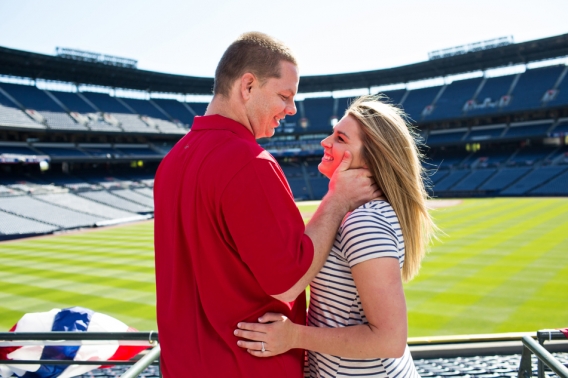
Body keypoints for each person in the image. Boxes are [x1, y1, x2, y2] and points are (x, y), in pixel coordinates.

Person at [153, 32, 379, 378]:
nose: (291, 109)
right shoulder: (249, 162)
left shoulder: (171, 162)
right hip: (246, 367)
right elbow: (287, 281)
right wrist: (337, 200)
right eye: (285, 96)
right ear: (247, 86)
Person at [234, 95, 437, 377]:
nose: (325, 142)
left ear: (372, 156)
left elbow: (389, 339)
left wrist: (293, 337)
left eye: (341, 138)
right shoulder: (348, 211)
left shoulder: (365, 223)